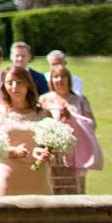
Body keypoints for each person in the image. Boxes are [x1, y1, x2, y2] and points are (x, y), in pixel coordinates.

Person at [0, 67, 52, 196]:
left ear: (28, 83)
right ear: (3, 86)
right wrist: (11, 150)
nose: (14, 87)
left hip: (37, 173)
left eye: (19, 82)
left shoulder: (44, 114)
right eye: (9, 82)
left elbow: (51, 144)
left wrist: (45, 151)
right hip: (9, 173)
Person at [38, 65, 99, 194]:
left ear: (69, 79)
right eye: (55, 77)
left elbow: (92, 124)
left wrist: (72, 118)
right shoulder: (44, 100)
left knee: (75, 189)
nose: (59, 80)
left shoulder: (80, 100)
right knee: (52, 187)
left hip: (75, 151)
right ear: (51, 80)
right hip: (52, 153)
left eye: (62, 76)